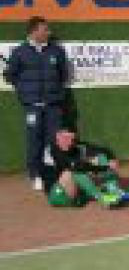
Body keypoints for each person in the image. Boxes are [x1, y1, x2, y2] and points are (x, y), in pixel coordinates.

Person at [3, 16, 69, 191]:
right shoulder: (19, 52)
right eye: (45, 29)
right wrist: (25, 92)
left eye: (48, 29)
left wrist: (57, 94)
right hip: (32, 106)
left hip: (53, 106)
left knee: (54, 141)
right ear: (33, 32)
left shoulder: (57, 51)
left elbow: (63, 75)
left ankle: (52, 174)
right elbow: (10, 76)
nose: (49, 32)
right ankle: (36, 175)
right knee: (34, 141)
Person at [42, 129, 129, 208]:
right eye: (64, 138)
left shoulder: (76, 146)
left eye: (70, 138)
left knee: (100, 157)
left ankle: (114, 190)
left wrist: (111, 159)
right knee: (73, 171)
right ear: (57, 139)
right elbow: (77, 166)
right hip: (59, 194)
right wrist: (104, 167)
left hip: (79, 193)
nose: (68, 141)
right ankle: (102, 198)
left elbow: (102, 150)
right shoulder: (53, 150)